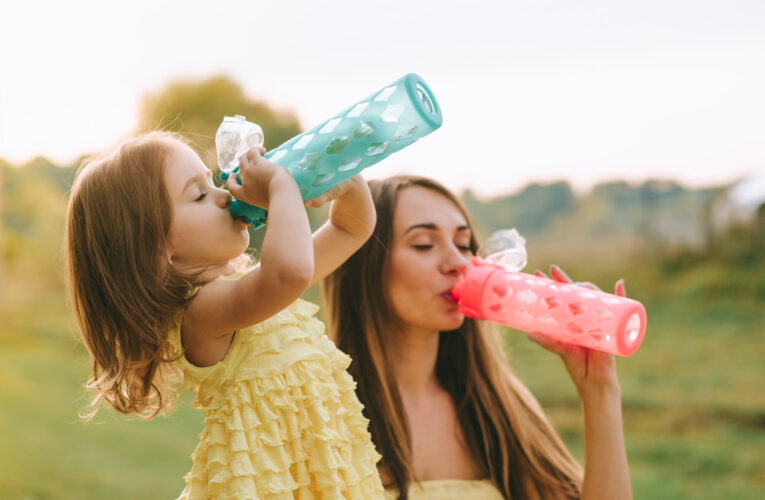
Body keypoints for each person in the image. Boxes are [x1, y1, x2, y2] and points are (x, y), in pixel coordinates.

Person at [65, 131, 385, 499]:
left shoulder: (253, 289)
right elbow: (289, 274)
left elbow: (352, 229)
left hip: (324, 474)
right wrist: (281, 187)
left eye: (213, 181)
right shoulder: (201, 314)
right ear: (155, 252)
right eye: (199, 195)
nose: (224, 194)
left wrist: (349, 182)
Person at [322, 175, 633, 500]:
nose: (458, 262)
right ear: (362, 263)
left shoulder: (495, 406)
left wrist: (599, 389)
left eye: (464, 244)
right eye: (424, 244)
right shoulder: (319, 410)